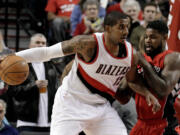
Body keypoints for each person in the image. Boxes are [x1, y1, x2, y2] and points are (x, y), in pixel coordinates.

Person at [12, 11, 160, 135]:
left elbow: (133, 81)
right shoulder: (88, 43)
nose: (126, 32)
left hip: (100, 107)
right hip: (70, 104)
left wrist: (146, 93)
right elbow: (47, 52)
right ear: (107, 28)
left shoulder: (130, 54)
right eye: (121, 27)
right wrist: (13, 57)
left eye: (127, 27)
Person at [128, 20, 180, 135]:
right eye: (146, 37)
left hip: (164, 124)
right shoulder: (142, 57)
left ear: (165, 37)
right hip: (141, 123)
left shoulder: (173, 58)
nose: (147, 41)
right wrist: (146, 93)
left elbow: (163, 90)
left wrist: (144, 64)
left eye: (153, 37)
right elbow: (131, 82)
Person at [8, 33, 60, 133]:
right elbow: (13, 91)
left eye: (43, 43)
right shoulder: (19, 65)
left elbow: (57, 91)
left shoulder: (52, 65)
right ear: (30, 46)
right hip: (27, 121)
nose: (40, 45)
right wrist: (33, 86)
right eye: (37, 42)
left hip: (50, 121)